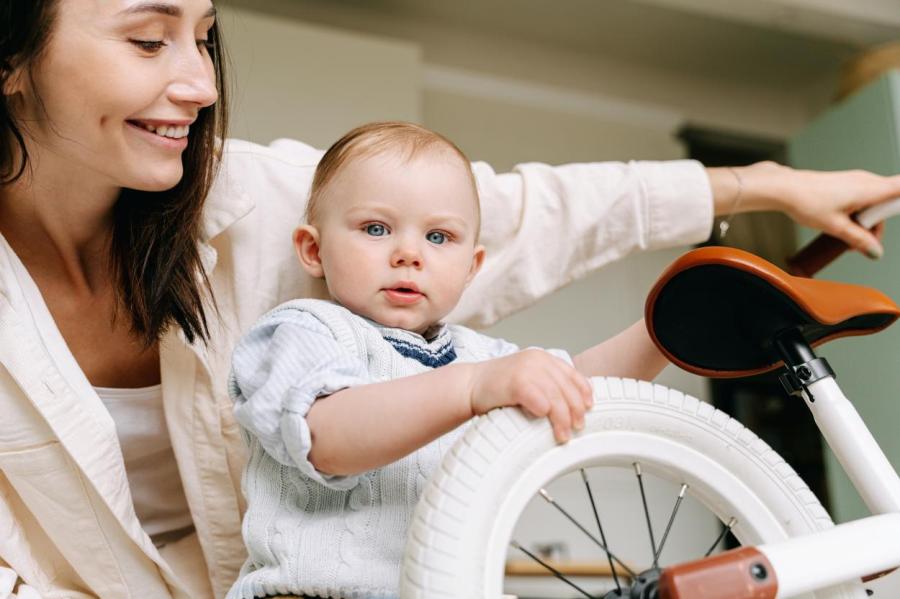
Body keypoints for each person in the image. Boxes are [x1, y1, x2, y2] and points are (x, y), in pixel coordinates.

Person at [1, 0, 899, 598]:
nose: (200, 83)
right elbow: (323, 432)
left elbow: (536, 237)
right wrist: (483, 386)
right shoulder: (307, 326)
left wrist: (727, 234)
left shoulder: (282, 216)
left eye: (204, 37)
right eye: (148, 39)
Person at [226, 121, 677, 599]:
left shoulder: (478, 356)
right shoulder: (302, 330)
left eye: (438, 237)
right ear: (313, 250)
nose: (408, 254)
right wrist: (471, 388)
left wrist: (666, 331)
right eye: (375, 228)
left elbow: (578, 381)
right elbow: (326, 437)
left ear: (471, 268)